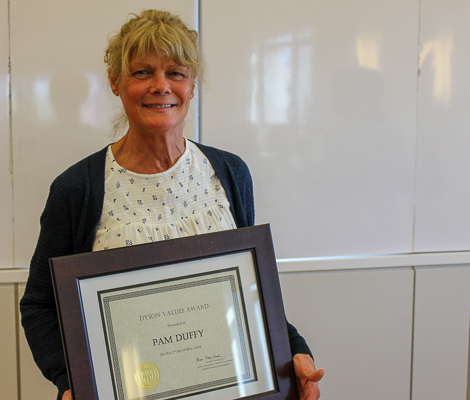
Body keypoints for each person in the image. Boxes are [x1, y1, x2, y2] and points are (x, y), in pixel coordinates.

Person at [20, 9, 324, 400]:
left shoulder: (230, 173)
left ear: (192, 86)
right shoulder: (77, 188)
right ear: (115, 83)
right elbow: (40, 306)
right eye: (143, 72)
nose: (160, 86)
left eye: (176, 73)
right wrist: (71, 381)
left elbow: (252, 291)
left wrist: (294, 352)